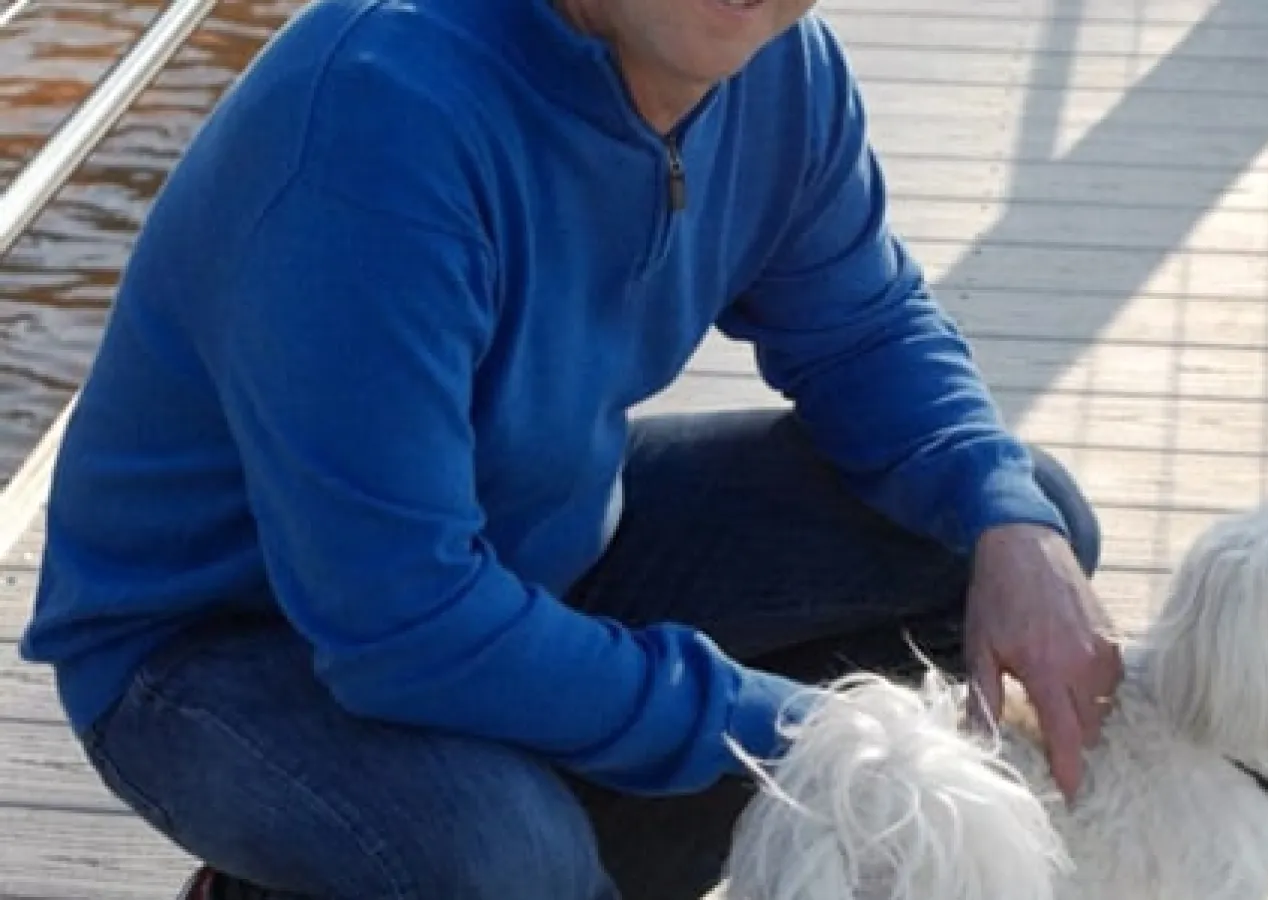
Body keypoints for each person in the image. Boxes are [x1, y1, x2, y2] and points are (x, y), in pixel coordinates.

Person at [18, 0, 1123, 895]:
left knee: (1010, 537)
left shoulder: (776, 67)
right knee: (508, 858)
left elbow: (865, 335)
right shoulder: (376, 121)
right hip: (222, 642)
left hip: (534, 535)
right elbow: (399, 619)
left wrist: (1002, 513)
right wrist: (814, 737)